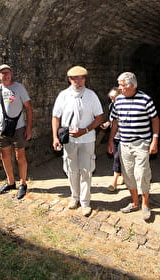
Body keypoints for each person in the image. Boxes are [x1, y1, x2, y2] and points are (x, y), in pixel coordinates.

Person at [52, 66, 104, 217]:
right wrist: (55, 137)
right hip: (68, 139)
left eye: (81, 78)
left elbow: (99, 117)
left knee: (86, 171)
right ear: (69, 79)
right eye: (74, 78)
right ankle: (74, 197)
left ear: (85, 79)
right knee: (71, 170)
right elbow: (56, 117)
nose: (78, 81)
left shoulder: (91, 95)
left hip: (87, 139)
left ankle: (85, 202)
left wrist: (85, 130)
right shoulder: (63, 95)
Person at [108, 72, 160, 221]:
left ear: (131, 86)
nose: (119, 88)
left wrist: (154, 140)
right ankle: (134, 202)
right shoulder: (118, 101)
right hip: (124, 143)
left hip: (141, 143)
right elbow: (115, 122)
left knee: (142, 173)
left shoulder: (145, 100)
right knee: (128, 174)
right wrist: (111, 140)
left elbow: (155, 120)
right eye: (119, 84)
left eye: (122, 85)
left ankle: (145, 205)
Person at [0, 64, 33, 199]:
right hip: (1, 129)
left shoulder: (19, 88)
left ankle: (23, 184)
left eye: (8, 72)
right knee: (5, 156)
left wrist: (29, 128)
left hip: (18, 128)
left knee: (20, 156)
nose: (6, 75)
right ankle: (10, 182)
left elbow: (29, 108)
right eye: (3, 73)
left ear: (11, 74)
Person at [101, 87, 123, 192]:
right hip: (116, 136)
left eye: (114, 98)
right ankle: (119, 176)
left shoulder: (125, 106)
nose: (113, 101)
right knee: (116, 157)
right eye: (111, 98)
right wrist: (107, 124)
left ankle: (115, 181)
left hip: (125, 137)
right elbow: (112, 120)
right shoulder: (112, 106)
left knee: (119, 157)